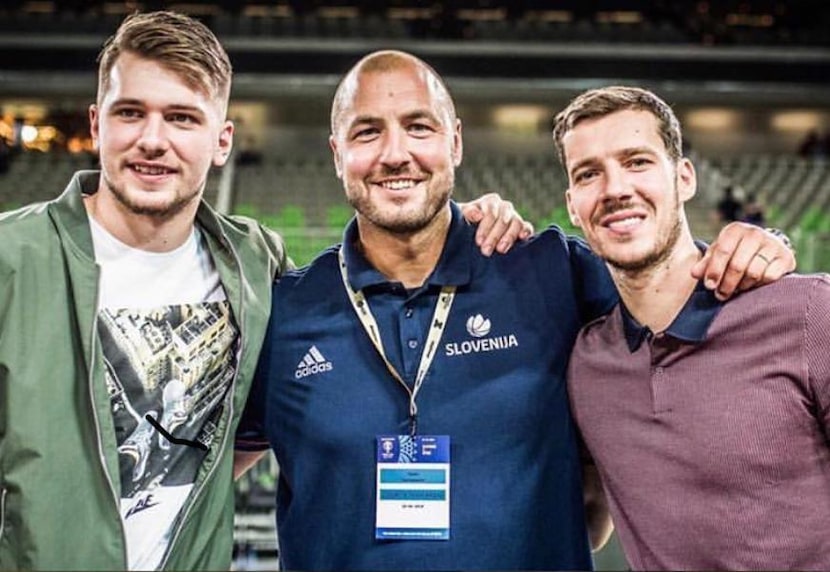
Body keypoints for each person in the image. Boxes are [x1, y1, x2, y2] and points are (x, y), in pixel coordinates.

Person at [0, 12, 545, 570]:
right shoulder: (11, 260)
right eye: (130, 113)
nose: (153, 140)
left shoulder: (257, 269)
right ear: (96, 125)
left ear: (221, 140)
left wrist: (470, 220)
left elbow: (234, 440)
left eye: (182, 118)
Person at [237, 50, 796, 571]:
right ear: (338, 155)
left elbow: (665, 279)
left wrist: (755, 247)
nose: (395, 153)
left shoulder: (549, 270)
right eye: (367, 133)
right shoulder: (286, 310)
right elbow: (205, 467)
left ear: (455, 142)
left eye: (419, 127)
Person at [557, 86, 829, 570]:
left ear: (684, 178)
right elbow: (590, 520)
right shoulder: (587, 362)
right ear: (573, 205)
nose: (615, 188)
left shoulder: (808, 311)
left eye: (637, 162)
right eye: (588, 174)